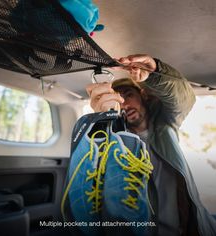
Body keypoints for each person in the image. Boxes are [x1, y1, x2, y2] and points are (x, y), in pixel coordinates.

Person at [86, 54, 216, 236]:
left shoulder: (166, 124)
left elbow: (184, 99)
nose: (124, 104)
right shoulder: (114, 141)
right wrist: (101, 119)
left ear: (143, 96)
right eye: (118, 100)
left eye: (128, 95)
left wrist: (155, 72)